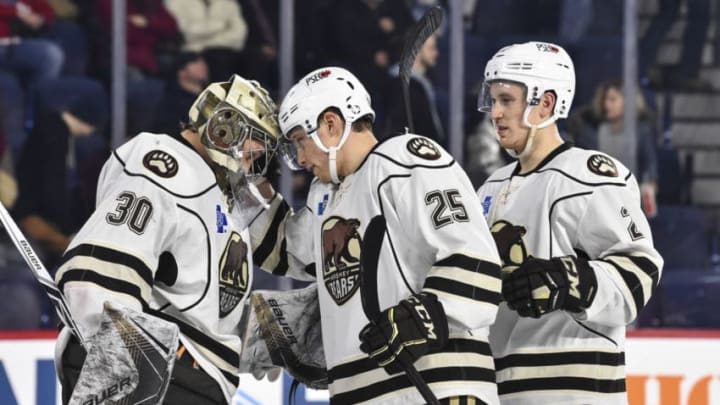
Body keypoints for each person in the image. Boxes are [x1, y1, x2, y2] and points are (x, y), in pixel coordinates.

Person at [54, 75, 289, 405]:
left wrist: (259, 335)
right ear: (225, 127)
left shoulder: (223, 194)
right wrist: (119, 370)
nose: (258, 159)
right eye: (255, 141)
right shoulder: (165, 163)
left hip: (193, 379)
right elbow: (97, 276)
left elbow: (197, 301)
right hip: (162, 371)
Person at [276, 66, 503, 404]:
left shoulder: (405, 159)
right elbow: (290, 251)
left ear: (330, 125)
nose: (302, 158)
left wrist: (425, 316)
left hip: (436, 388)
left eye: (300, 142)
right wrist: (241, 184)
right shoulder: (325, 195)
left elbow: (475, 260)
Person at [475, 42, 664, 404]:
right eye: (493, 100)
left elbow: (640, 271)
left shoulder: (591, 176)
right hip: (503, 391)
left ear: (545, 103)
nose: (495, 114)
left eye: (506, 100)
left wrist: (570, 280)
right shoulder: (490, 187)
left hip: (575, 392)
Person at [567, 79, 659, 217]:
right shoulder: (593, 130)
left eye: (612, 99)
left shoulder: (641, 131)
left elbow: (650, 165)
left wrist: (649, 187)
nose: (606, 104)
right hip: (598, 199)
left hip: (630, 199)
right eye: (605, 99)